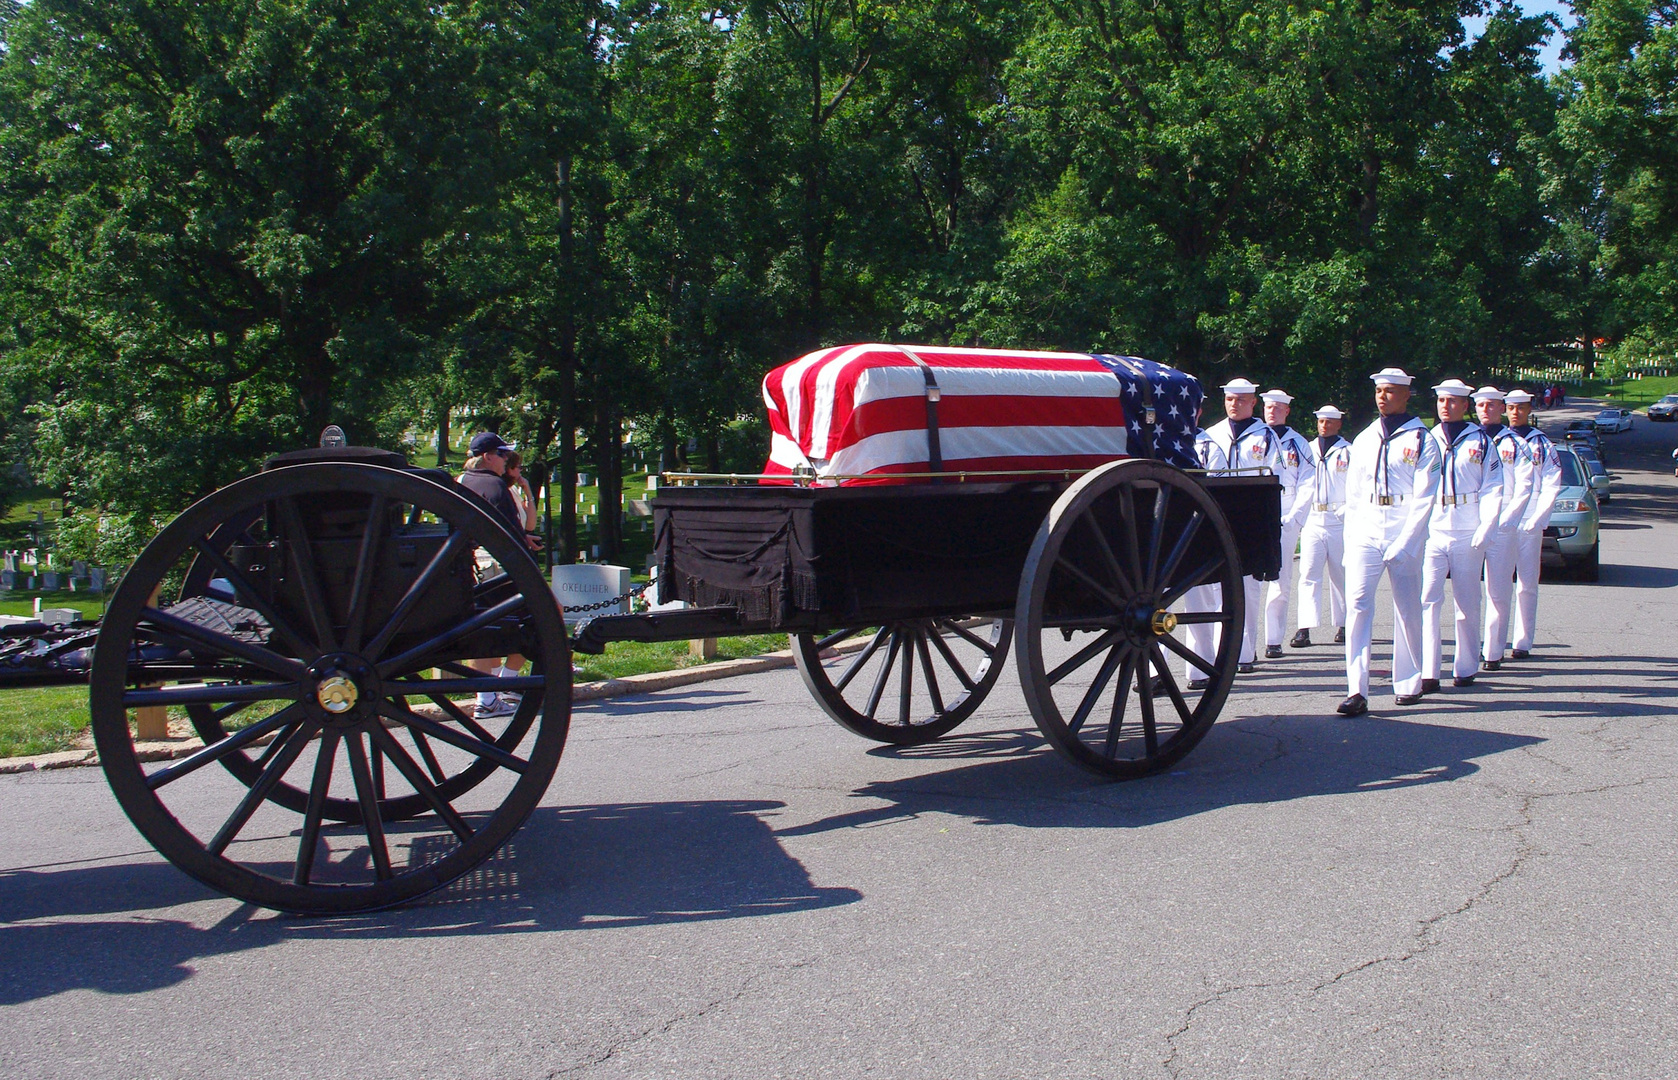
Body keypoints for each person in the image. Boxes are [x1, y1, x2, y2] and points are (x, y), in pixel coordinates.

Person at [1337, 367, 1441, 717]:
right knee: (1358, 605)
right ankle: (1356, 689)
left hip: (1402, 523)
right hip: (1367, 524)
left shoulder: (1422, 439)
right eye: (1380, 390)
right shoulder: (1365, 437)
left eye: (1391, 391)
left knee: (1408, 607)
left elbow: (1426, 497)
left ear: (1407, 394)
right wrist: (1351, 539)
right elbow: (1352, 494)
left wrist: (1408, 541)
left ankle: (1409, 681)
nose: (1383, 396)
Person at [1419, 379, 1502, 692]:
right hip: (1433, 526)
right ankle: (1428, 669)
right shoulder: (1428, 438)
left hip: (1468, 525)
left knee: (1466, 600)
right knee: (1427, 598)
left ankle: (1465, 666)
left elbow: (1494, 485)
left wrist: (1487, 524)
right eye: (1441, 400)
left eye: (1452, 401)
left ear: (1465, 405)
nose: (1445, 406)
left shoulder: (1480, 441)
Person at [1202, 378, 1284, 673]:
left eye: (1240, 400)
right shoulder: (1211, 435)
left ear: (1253, 403)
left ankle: (1244, 653)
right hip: (1217, 514)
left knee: (1247, 588)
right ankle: (1211, 655)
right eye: (1229, 399)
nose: (1234, 405)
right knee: (1212, 589)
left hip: (1251, 518)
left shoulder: (1266, 437)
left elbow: (1276, 480)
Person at [458, 432, 541, 719]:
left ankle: (488, 697)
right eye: (502, 454)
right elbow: (508, 536)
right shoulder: (495, 485)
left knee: (484, 632)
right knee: (535, 620)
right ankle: (507, 684)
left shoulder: (462, 481)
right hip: (500, 566)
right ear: (487, 456)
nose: (506, 460)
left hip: (471, 565)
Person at [1475, 387, 1533, 671]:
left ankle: (1493, 650)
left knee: (1497, 590)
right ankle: (1469, 645)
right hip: (1471, 523)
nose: (1485, 410)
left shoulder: (1515, 443)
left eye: (1491, 405)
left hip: (1502, 523)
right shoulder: (1468, 439)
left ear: (1502, 408)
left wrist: (1510, 519)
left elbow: (1525, 485)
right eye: (1480, 405)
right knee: (1468, 590)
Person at [1260, 389, 1316, 659]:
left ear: (1287, 411)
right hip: (1258, 514)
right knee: (1249, 583)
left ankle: (1273, 639)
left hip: (1286, 512)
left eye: (1277, 407)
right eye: (1268, 407)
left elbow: (1308, 481)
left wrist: (1295, 517)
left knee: (1280, 581)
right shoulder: (1256, 437)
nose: (1272, 411)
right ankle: (1245, 646)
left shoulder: (1298, 444)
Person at [1506, 391, 1562, 659]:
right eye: (1511, 408)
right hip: (1501, 518)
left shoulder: (1542, 444)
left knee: (1527, 582)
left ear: (1530, 409)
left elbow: (1552, 481)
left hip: (1529, 517)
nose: (1515, 413)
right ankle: (1494, 639)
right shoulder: (1497, 440)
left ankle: (1523, 640)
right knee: (1497, 583)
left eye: (1520, 408)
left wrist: (1540, 517)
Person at [1293, 404, 1351, 649]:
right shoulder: (1308, 449)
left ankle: (1345, 623)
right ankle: (1304, 627)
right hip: (1314, 518)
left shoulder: (1348, 451)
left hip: (1339, 519)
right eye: (1321, 421)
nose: (1324, 426)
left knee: (1342, 574)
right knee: (1308, 574)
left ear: (1338, 424)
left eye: (1329, 422)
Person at [1183, 403, 1229, 689]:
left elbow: (1219, 489)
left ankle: (1201, 666)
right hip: (1158, 531)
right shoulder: (1159, 439)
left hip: (1196, 530)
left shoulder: (1209, 447)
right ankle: (1153, 671)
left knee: (1200, 603)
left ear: (1199, 413)